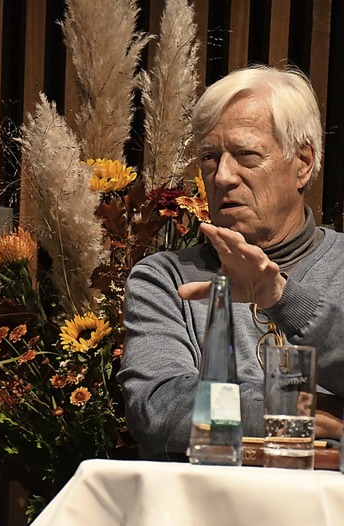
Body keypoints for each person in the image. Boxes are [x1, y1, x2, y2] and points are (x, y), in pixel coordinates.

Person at [118, 64, 344, 461]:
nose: (222, 176)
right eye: (210, 156)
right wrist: (297, 413)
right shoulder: (166, 279)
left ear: (303, 163)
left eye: (245, 154)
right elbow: (158, 409)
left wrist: (280, 297)